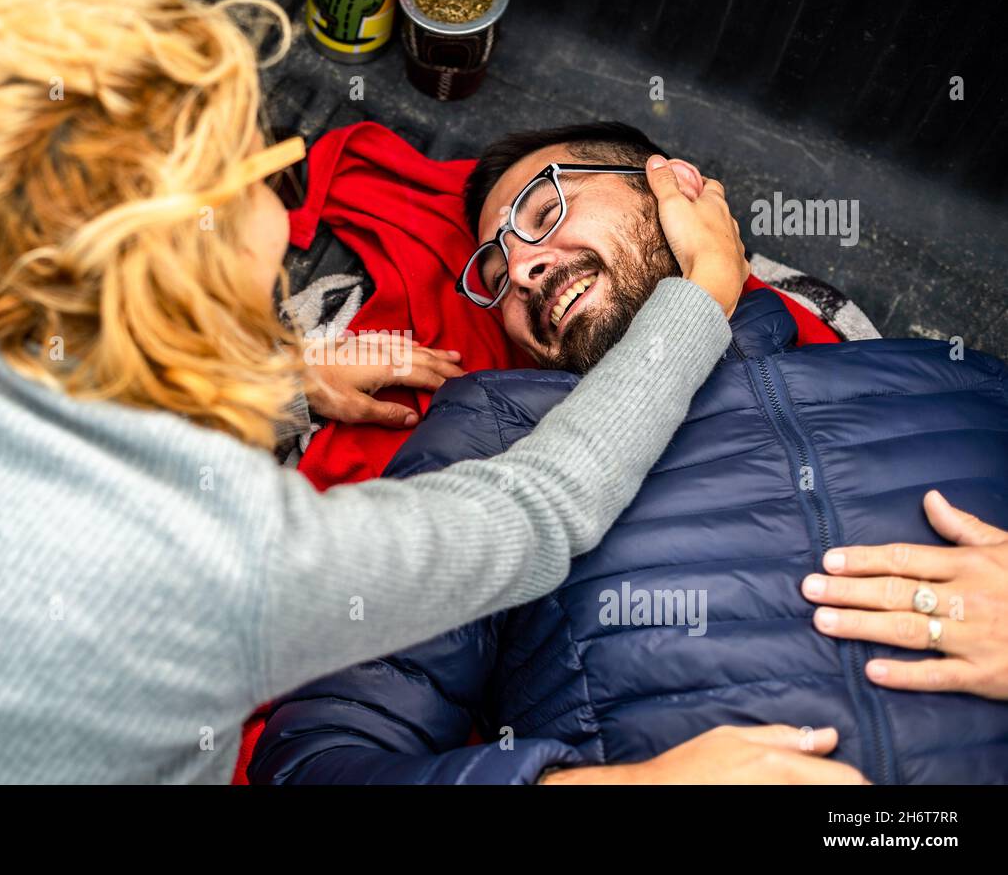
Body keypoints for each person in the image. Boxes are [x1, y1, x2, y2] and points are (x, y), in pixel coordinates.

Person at [0, 0, 749, 783]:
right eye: (251, 185)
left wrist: (285, 377)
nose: (283, 214)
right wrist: (699, 299)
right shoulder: (237, 565)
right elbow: (539, 507)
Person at [248, 122, 1008, 785]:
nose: (520, 270)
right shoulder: (495, 430)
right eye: (493, 274)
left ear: (675, 187)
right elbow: (317, 759)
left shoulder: (962, 380)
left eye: (544, 210)